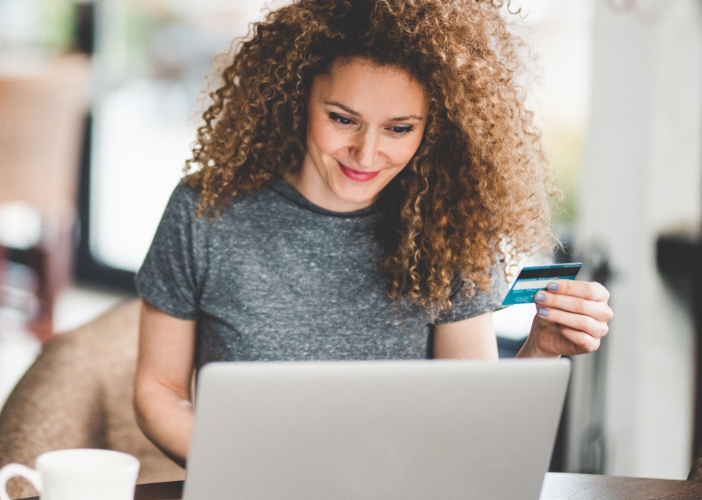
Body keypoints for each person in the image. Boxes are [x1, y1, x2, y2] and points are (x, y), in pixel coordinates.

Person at [133, 0, 612, 467]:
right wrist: (251, 466)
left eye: (399, 129)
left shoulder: (452, 228)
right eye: (343, 119)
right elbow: (159, 390)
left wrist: (541, 351)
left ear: (434, 127)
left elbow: (471, 425)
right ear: (299, 96)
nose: (365, 155)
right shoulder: (205, 210)